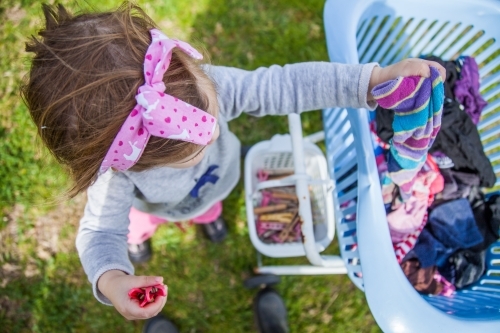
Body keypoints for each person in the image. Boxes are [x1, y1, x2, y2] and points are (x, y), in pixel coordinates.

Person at [21, 2, 446, 325]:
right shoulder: (116, 175)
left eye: (211, 121)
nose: (214, 131)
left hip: (212, 186)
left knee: (209, 204)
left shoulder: (204, 84)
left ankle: (209, 215)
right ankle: (143, 236)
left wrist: (369, 82)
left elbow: (283, 84)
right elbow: (98, 231)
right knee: (135, 226)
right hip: (154, 207)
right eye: (197, 147)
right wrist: (113, 280)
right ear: (133, 166)